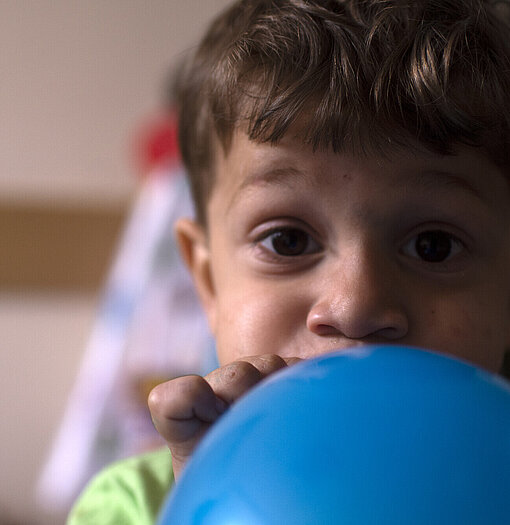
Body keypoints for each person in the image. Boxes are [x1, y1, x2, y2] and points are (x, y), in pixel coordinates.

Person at [67, 0, 510, 523]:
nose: (355, 306)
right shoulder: (134, 506)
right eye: (288, 242)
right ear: (207, 283)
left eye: (433, 245)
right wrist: (204, 496)